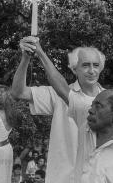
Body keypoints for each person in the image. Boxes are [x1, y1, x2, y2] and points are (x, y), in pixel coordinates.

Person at [11, 36, 106, 183]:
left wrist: (40, 52)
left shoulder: (111, 101)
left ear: (101, 68)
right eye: (86, 65)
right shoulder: (57, 94)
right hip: (62, 177)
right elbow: (19, 92)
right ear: (75, 69)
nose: (92, 70)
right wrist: (25, 58)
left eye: (96, 65)